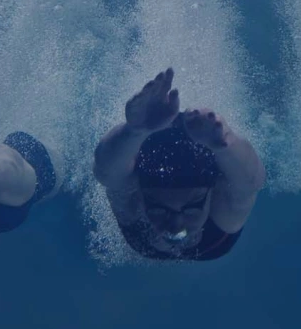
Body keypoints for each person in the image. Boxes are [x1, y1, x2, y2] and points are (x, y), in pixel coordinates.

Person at [93, 68, 265, 261]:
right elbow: (251, 182)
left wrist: (134, 131)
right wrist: (225, 144)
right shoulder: (223, 221)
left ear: (213, 191)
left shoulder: (135, 219)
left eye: (161, 210)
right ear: (140, 195)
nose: (175, 226)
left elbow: (106, 172)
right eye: (158, 210)